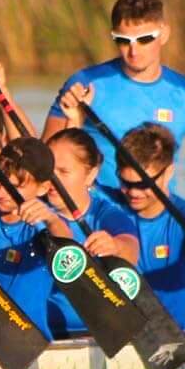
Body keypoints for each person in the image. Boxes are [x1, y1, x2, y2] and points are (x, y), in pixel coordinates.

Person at [40, 0, 185, 263]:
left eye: (144, 39)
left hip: (158, 221)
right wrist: (74, 119)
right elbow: (45, 163)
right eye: (123, 40)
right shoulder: (84, 84)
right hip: (98, 223)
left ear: (164, 33)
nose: (133, 50)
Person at [113, 124, 185, 327]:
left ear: (168, 173)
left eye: (143, 184)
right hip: (118, 334)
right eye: (126, 183)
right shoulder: (107, 205)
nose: (133, 192)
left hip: (174, 339)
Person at [41, 125, 139, 338]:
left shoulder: (106, 215)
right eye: (49, 170)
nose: (53, 181)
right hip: (41, 333)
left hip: (95, 333)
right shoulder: (35, 210)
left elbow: (130, 249)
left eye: (63, 172)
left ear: (90, 174)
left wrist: (115, 246)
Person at [0, 138, 62, 342]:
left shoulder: (46, 224)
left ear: (43, 188)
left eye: (14, 186)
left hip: (32, 340)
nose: (0, 192)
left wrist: (52, 219)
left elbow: (66, 245)